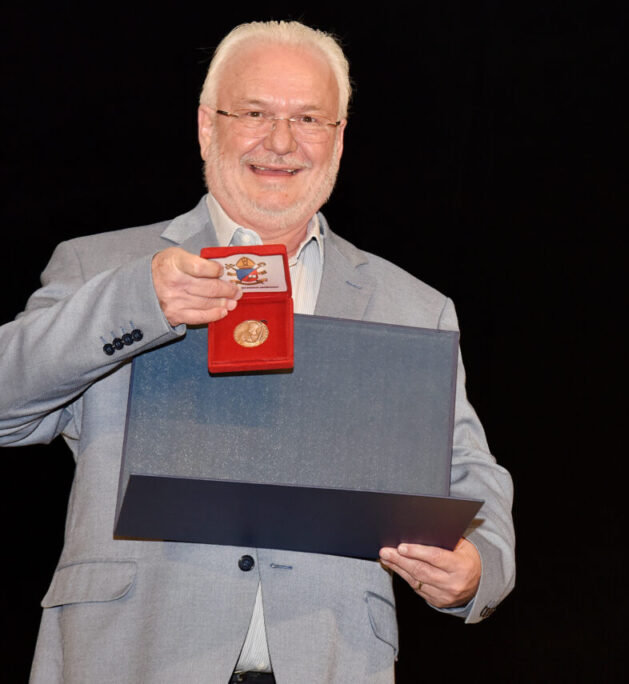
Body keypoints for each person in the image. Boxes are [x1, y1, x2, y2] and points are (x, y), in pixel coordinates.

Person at [0, 20, 515, 684]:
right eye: (255, 113)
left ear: (338, 139)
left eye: (308, 118)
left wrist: (478, 565)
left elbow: (469, 474)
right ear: (206, 126)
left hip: (330, 662)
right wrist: (137, 302)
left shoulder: (411, 306)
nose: (280, 142)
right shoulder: (103, 268)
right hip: (132, 656)